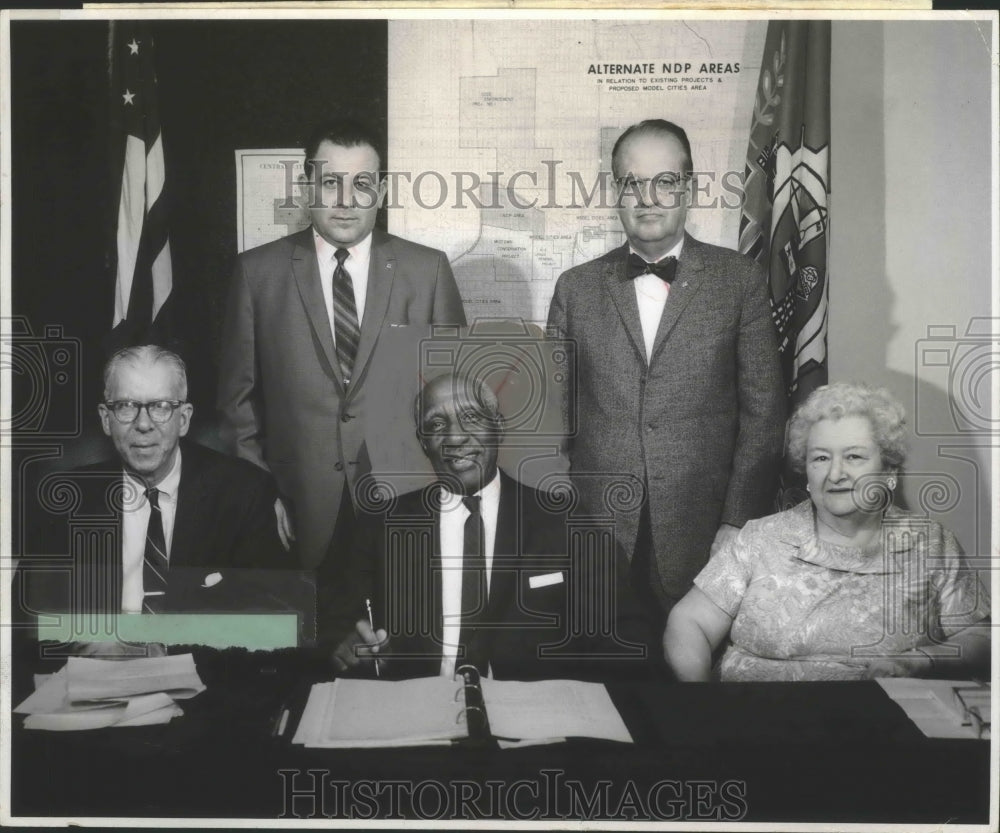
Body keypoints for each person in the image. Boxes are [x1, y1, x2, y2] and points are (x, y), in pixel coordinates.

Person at [547, 119, 786, 632]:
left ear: (689, 189)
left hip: (704, 536)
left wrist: (735, 522)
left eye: (665, 182)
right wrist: (565, 520)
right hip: (596, 534)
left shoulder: (739, 281)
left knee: (697, 696)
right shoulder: (576, 289)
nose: (648, 197)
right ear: (617, 192)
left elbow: (764, 415)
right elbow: (553, 421)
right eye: (632, 182)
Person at [217, 118, 466, 570]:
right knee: (313, 638)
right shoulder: (258, 275)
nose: (347, 200)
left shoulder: (427, 272)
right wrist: (259, 493)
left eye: (362, 184)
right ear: (307, 187)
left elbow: (452, 400)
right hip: (296, 510)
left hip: (406, 507)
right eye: (331, 182)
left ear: (383, 192)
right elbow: (238, 405)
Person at [322, 370, 652, 681]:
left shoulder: (563, 519)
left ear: (498, 427)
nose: (455, 437)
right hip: (417, 713)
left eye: (470, 417)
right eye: (437, 424)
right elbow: (335, 622)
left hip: (533, 719)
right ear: (424, 443)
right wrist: (346, 645)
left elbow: (625, 630)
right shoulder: (381, 524)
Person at [664, 382, 992, 682]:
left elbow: (981, 639)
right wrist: (699, 700)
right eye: (821, 458)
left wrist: (920, 661)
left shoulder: (931, 543)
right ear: (806, 471)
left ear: (888, 468)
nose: (836, 473)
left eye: (854, 457)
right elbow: (689, 622)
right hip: (750, 722)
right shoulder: (760, 538)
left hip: (878, 725)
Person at [18, 345, 286, 620]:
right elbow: (28, 622)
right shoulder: (62, 503)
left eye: (160, 407)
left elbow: (273, 620)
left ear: (183, 419)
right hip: (97, 659)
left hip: (204, 659)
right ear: (106, 419)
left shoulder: (244, 493)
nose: (143, 424)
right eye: (125, 406)